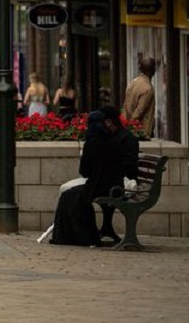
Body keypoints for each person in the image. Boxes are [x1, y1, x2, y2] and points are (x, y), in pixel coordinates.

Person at [50, 106, 139, 246]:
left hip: (111, 186)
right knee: (71, 195)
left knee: (72, 196)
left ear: (108, 122)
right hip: (109, 183)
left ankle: (77, 236)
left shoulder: (105, 141)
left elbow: (86, 171)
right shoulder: (114, 139)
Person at [122, 54, 157, 137]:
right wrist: (130, 125)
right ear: (152, 70)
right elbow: (140, 111)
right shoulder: (148, 88)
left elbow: (125, 106)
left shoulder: (132, 83)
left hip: (131, 130)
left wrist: (124, 124)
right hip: (141, 132)